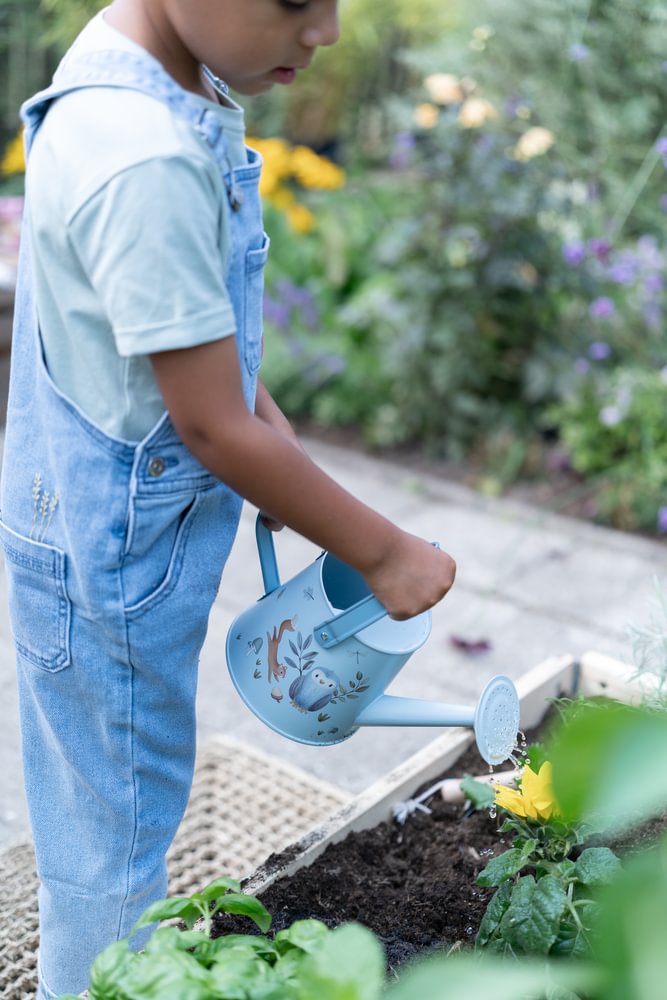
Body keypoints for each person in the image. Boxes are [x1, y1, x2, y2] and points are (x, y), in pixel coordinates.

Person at [0, 1, 457, 996]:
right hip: (108, 568)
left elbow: (156, 326)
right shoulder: (146, 158)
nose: (325, 31)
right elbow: (210, 427)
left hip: (70, 522)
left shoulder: (131, 65)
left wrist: (257, 410)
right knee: (115, 849)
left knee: (101, 810)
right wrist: (384, 554)